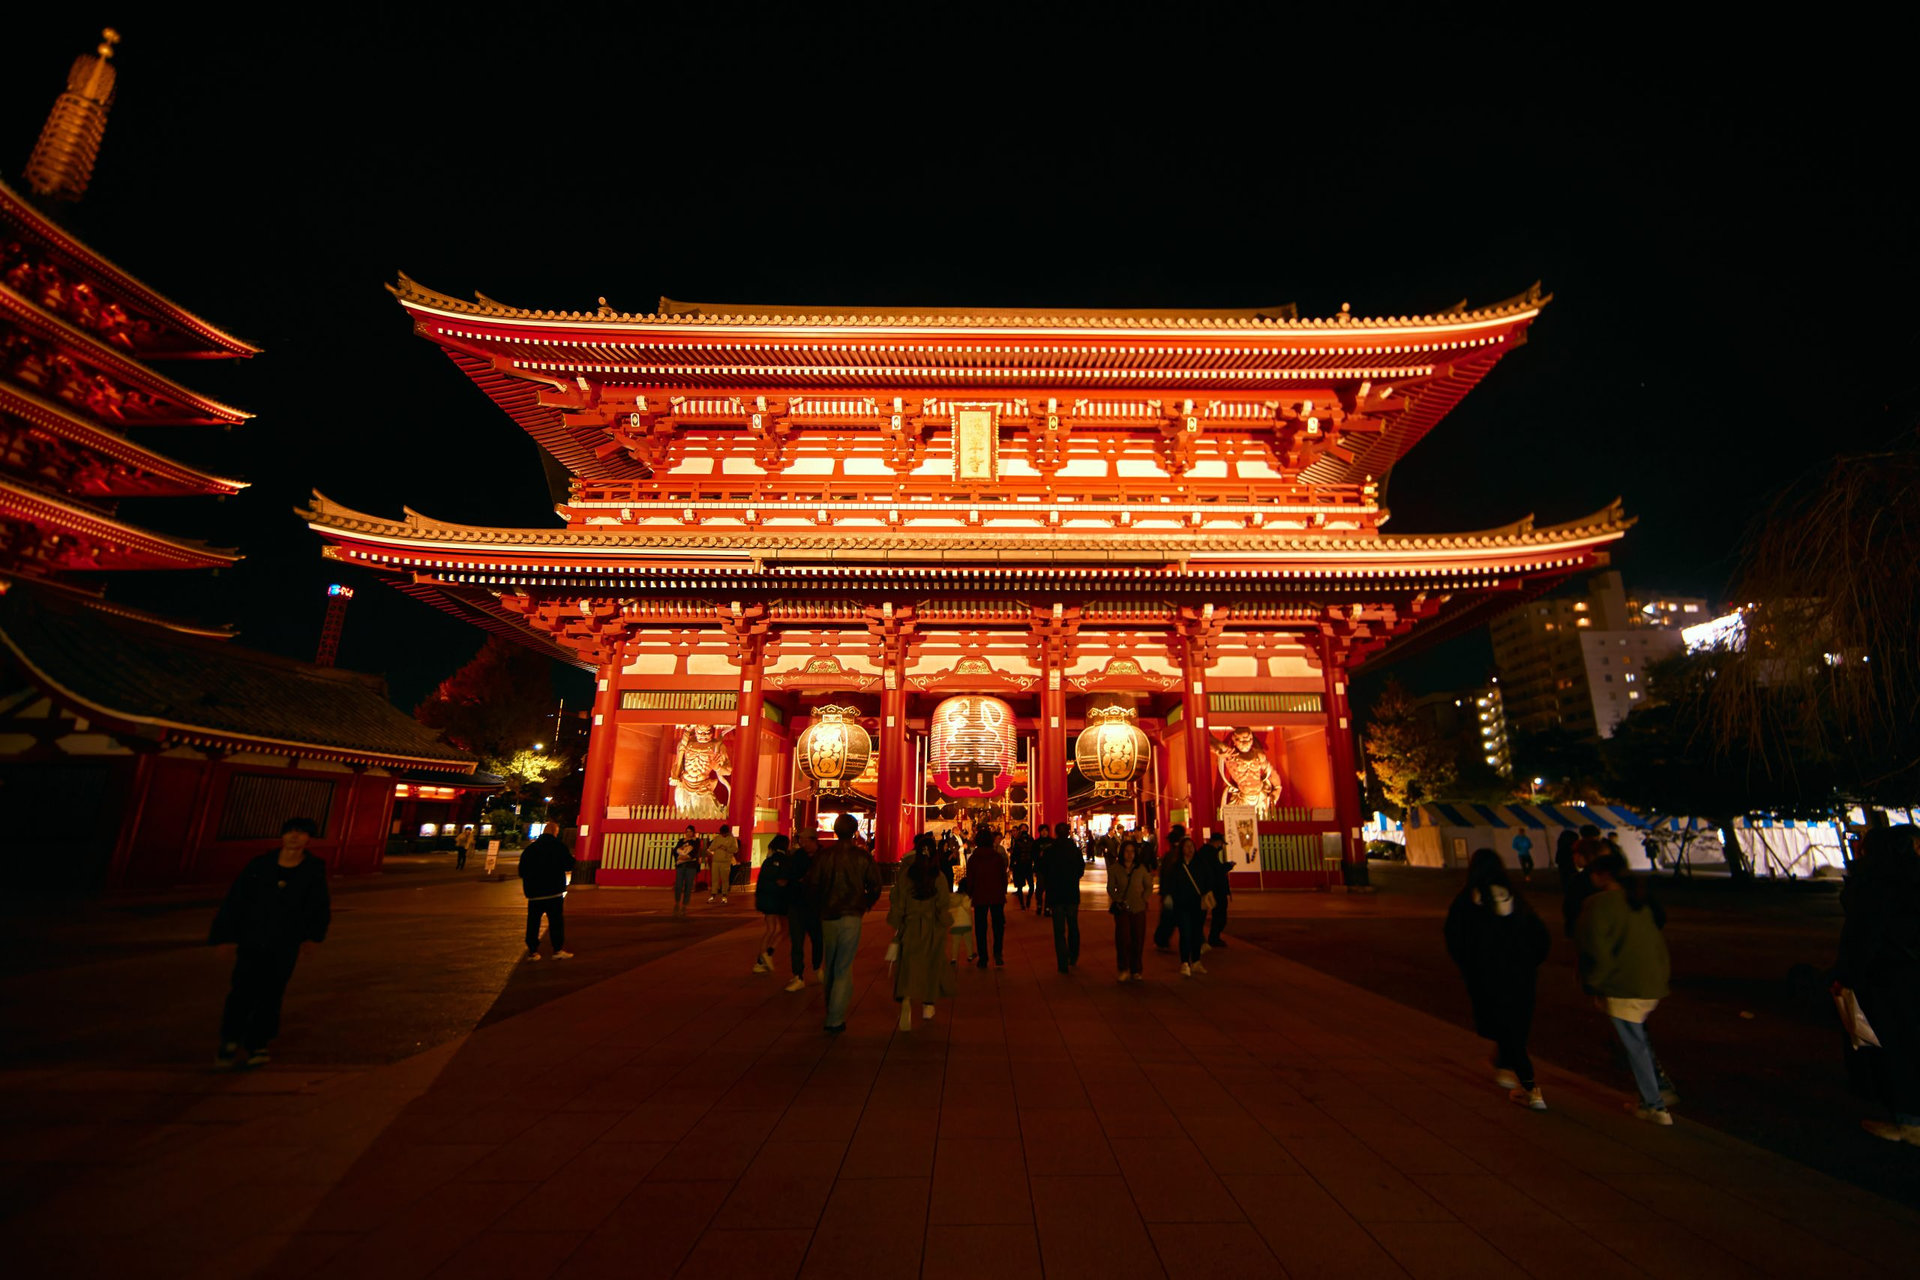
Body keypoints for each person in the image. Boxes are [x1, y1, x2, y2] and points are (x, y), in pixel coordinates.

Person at [209, 817, 332, 1068]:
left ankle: (258, 1043)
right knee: (241, 990)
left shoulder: (313, 869)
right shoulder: (260, 865)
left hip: (285, 940)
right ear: (282, 836)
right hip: (253, 937)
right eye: (290, 832)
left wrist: (313, 937)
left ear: (309, 839)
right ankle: (230, 1040)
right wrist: (225, 936)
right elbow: (236, 901)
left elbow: (318, 906)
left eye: (300, 833)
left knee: (272, 992)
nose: (294, 837)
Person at [1444, 848, 1552, 1110]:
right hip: (1522, 974)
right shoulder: (1515, 898)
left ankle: (1529, 1086)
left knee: (1503, 1026)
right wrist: (1530, 961)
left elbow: (1455, 939)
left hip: (1487, 975)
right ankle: (1505, 1066)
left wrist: (1469, 966)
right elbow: (1540, 937)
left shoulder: (1468, 901)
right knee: (1516, 1025)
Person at [1576, 851, 1675, 1125]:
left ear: (1601, 876)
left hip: (1623, 983)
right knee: (1638, 1039)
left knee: (1634, 1044)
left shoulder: (1599, 905)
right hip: (1651, 980)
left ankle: (1654, 1104)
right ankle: (1658, 1091)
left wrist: (1594, 983)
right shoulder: (1639, 900)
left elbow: (1596, 949)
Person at [1837, 825, 1920, 1145]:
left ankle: (1910, 1121)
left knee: (1897, 1049)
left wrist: (1846, 976)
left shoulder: (1878, 883)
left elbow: (1863, 936)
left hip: (1891, 979)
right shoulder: (1905, 879)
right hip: (1901, 974)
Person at [806, 813, 882, 1033]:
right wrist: (865, 903)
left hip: (828, 914)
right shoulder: (862, 857)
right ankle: (835, 1017)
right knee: (843, 965)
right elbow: (875, 885)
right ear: (855, 831)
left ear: (835, 830)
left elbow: (812, 884)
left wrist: (818, 907)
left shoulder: (824, 856)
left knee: (830, 962)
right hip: (851, 913)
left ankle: (831, 1006)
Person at [889, 837, 956, 1029]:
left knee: (908, 965)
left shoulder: (907, 876)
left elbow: (898, 901)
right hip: (932, 927)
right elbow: (942, 905)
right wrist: (946, 922)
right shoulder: (939, 877)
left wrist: (897, 923)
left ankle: (906, 999)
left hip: (910, 926)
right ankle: (928, 1005)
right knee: (932, 966)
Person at [518, 821, 577, 961]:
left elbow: (522, 871)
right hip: (553, 892)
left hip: (534, 894)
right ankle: (557, 950)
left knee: (533, 923)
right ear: (555, 832)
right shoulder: (559, 847)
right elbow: (569, 865)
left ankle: (532, 951)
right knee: (556, 922)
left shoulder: (530, 849)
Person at [1040, 820, 1085, 973]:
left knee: (1059, 930)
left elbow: (1043, 869)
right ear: (1068, 833)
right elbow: (1081, 869)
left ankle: (1062, 962)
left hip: (1056, 893)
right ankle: (1073, 955)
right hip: (1071, 892)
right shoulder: (1075, 850)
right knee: (1073, 925)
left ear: (1055, 833)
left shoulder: (1050, 851)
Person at [784, 831, 824, 992]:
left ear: (814, 840)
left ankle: (817, 967)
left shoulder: (824, 857)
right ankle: (798, 975)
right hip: (797, 903)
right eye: (801, 840)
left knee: (818, 940)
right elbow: (789, 877)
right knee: (797, 942)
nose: (802, 843)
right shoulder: (797, 856)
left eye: (805, 840)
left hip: (816, 905)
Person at [1162, 836, 1208, 977]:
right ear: (1181, 849)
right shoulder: (1176, 867)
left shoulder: (1200, 865)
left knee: (1197, 933)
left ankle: (1196, 961)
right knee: (1185, 933)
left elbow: (1207, 882)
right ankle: (1185, 962)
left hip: (1198, 905)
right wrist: (1168, 896)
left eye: (1191, 846)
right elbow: (1169, 884)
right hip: (1182, 905)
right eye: (1186, 847)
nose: (1190, 849)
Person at [1109, 837, 1153, 982]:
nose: (1129, 854)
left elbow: (1148, 886)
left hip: (1138, 908)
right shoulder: (1115, 869)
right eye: (1127, 851)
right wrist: (1118, 899)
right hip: (1122, 908)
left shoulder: (1141, 869)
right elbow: (1110, 887)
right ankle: (1123, 968)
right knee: (1123, 939)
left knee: (1138, 939)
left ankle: (1136, 969)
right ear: (1122, 853)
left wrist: (1144, 898)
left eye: (1132, 851)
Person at [966, 827, 1009, 968]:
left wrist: (970, 893)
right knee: (998, 926)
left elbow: (970, 879)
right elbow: (1003, 876)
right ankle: (998, 953)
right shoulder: (996, 857)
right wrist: (1003, 891)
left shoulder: (973, 859)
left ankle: (983, 958)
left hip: (979, 895)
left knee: (980, 927)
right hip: (996, 895)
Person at [753, 834, 794, 974]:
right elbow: (784, 881)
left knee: (770, 929)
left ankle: (760, 961)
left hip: (765, 899)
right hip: (779, 899)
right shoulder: (786, 860)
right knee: (785, 929)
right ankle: (767, 954)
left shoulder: (767, 861)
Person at [1153, 824, 1188, 951]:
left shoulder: (1170, 855)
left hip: (1169, 891)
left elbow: (1164, 874)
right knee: (1172, 918)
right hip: (1175, 891)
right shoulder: (1177, 855)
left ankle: (1161, 940)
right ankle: (1162, 940)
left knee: (1168, 917)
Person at [1201, 830, 1232, 949]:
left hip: (1208, 887)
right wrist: (1228, 866)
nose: (1221, 846)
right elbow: (1217, 870)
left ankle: (1208, 938)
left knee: (1205, 914)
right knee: (1219, 914)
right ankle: (1213, 938)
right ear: (1218, 842)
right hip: (1215, 888)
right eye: (1221, 843)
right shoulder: (1210, 853)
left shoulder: (1204, 851)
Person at [706, 823, 740, 905]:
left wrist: (726, 848)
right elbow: (711, 848)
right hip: (716, 861)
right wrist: (716, 847)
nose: (723, 835)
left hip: (725, 862)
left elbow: (735, 850)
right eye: (722, 833)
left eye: (725, 833)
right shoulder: (717, 838)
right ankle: (713, 895)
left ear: (728, 832)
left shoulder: (732, 839)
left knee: (725, 879)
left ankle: (724, 896)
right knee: (715, 879)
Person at [671, 825, 702, 916]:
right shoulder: (681, 841)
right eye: (687, 831)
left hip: (691, 866)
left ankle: (684, 906)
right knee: (678, 885)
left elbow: (694, 852)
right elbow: (675, 851)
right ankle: (677, 903)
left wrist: (686, 857)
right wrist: (680, 857)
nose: (688, 833)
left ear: (693, 832)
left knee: (688, 886)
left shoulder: (696, 841)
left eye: (690, 831)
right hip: (681, 865)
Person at [1011, 828, 1035, 910]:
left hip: (1020, 865)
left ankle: (1022, 903)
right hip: (1027, 865)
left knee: (1020, 886)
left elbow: (1014, 855)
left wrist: (1012, 864)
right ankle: (1026, 901)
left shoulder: (1017, 841)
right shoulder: (1031, 840)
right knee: (1030, 885)